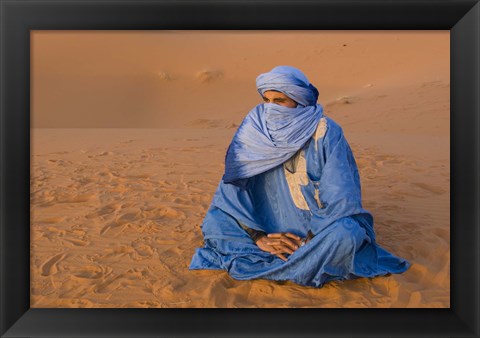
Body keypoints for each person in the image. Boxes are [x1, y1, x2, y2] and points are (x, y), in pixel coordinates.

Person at [189, 66, 410, 287]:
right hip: (265, 226)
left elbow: (341, 195)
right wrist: (259, 236)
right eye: (267, 100)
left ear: (299, 101)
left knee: (347, 233)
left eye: (280, 100)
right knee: (216, 221)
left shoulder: (325, 131)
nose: (271, 108)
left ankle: (296, 259)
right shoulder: (253, 130)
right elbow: (230, 194)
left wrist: (310, 240)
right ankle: (304, 263)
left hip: (317, 232)